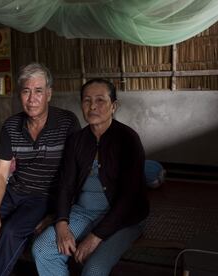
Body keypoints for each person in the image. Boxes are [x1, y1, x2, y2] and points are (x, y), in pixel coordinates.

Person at [0, 62, 80, 276]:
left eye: (38, 91)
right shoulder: (11, 126)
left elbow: (75, 172)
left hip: (45, 196)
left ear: (49, 93)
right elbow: (0, 173)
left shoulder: (67, 122)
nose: (32, 99)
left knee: (10, 231)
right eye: (26, 91)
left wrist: (57, 214)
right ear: (20, 95)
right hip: (16, 191)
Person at [32, 78, 149, 276]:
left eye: (100, 100)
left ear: (113, 106)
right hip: (82, 212)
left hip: (122, 217)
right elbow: (66, 185)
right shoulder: (76, 140)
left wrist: (95, 237)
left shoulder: (128, 139)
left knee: (94, 269)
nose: (93, 106)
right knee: (43, 250)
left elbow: (129, 198)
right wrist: (61, 223)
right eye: (87, 100)